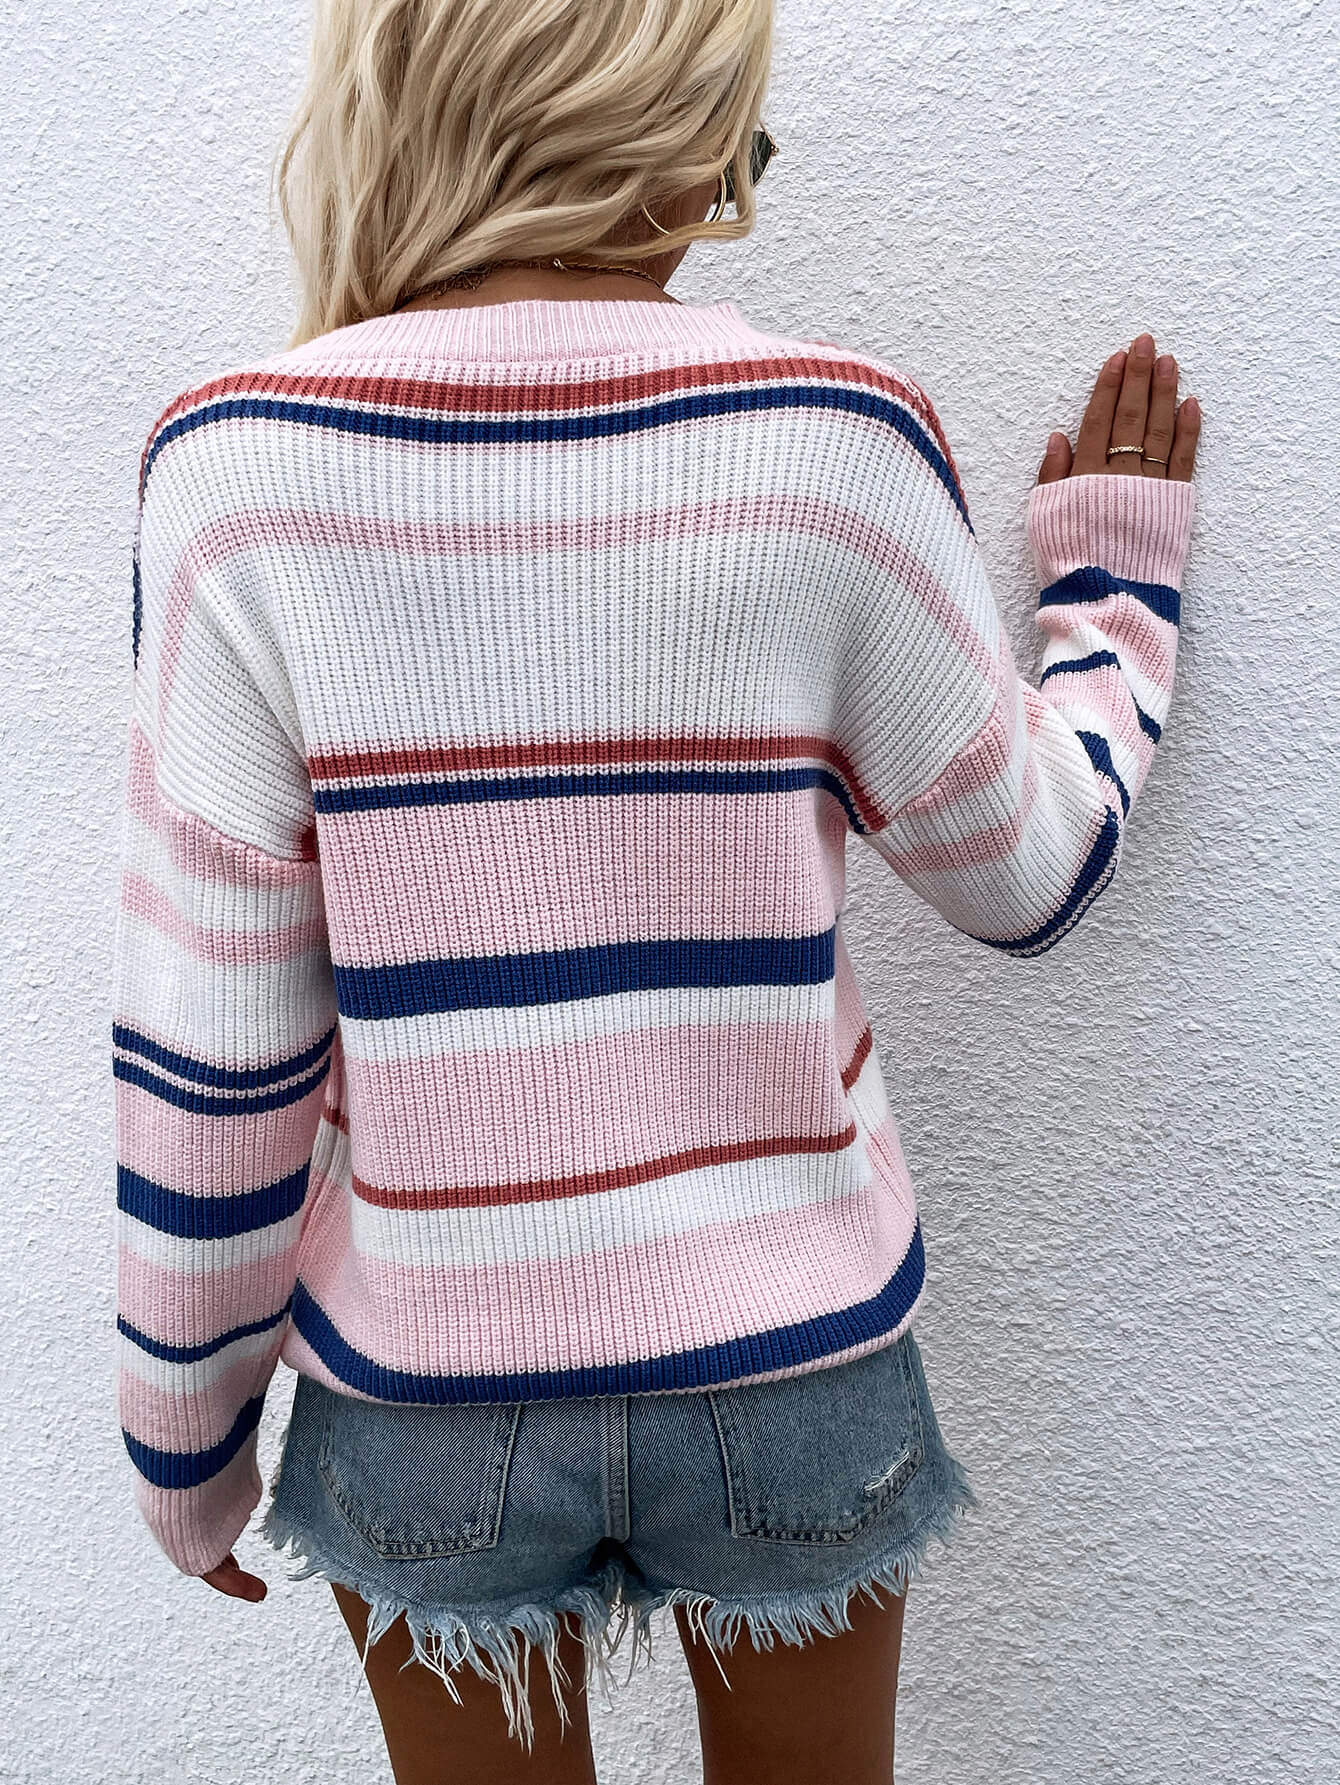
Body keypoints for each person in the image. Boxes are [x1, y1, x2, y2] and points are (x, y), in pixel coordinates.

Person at [111, 1, 1201, 1780]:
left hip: (425, 1389)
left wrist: (186, 1439)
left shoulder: (232, 476)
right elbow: (1029, 870)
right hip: (792, 1364)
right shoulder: (837, 435)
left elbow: (214, 1045)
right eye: (741, 140)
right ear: (673, 134)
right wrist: (1114, 599)